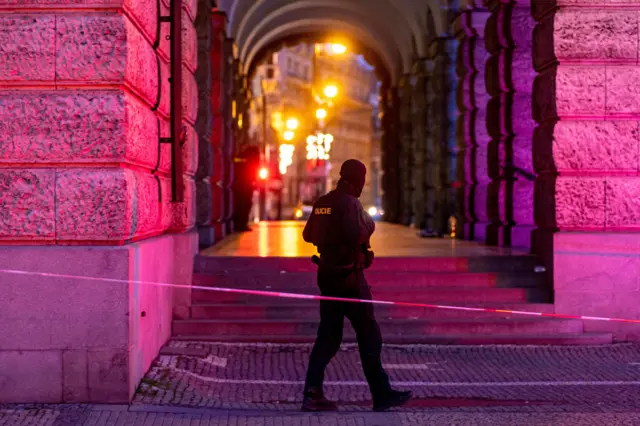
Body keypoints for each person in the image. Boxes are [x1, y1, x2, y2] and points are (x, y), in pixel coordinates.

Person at [301, 159, 412, 412]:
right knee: (369, 335)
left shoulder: (324, 202)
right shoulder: (350, 204)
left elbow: (309, 235)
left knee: (328, 337)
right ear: (356, 179)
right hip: (349, 279)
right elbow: (357, 232)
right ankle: (381, 394)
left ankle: (312, 392)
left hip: (327, 275)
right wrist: (368, 225)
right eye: (362, 179)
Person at [233, 144, 260, 231]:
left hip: (241, 186)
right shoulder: (250, 161)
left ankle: (240, 224)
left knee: (242, 205)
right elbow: (253, 173)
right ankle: (241, 224)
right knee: (245, 205)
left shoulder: (242, 159)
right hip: (245, 186)